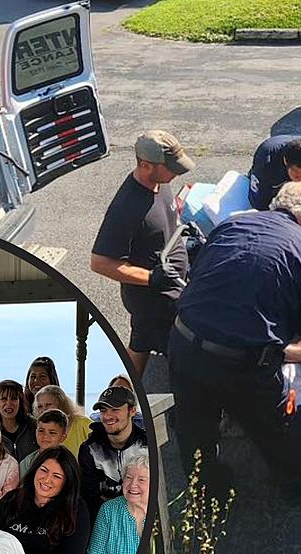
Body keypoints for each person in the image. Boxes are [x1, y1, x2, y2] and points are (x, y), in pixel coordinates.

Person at [168, 182, 301, 496]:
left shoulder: (232, 224)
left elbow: (214, 291)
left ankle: (206, 489)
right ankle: (296, 481)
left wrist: (300, 353)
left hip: (184, 342)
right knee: (273, 430)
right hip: (242, 367)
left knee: (194, 427)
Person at [91, 130, 195, 375]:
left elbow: (163, 218)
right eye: (171, 168)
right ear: (146, 165)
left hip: (174, 285)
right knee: (161, 346)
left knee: (142, 342)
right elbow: (100, 263)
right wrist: (151, 278)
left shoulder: (161, 183)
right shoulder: (126, 207)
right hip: (152, 299)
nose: (177, 172)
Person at [79, 386, 149, 517]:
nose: (107, 416)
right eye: (103, 410)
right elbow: (89, 498)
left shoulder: (146, 445)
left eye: (115, 409)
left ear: (132, 410)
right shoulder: (89, 449)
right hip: (105, 521)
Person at [34, 384, 92, 457]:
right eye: (40, 406)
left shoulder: (83, 423)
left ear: (61, 404)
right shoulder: (40, 431)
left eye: (48, 404)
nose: (43, 410)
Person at [18, 409, 70, 479]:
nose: (45, 436)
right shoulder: (27, 463)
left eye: (52, 433)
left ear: (63, 437)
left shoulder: (68, 462)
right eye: (41, 431)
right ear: (35, 432)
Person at [0, 379, 33, 459]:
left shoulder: (33, 425)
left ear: (20, 402)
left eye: (13, 398)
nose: (9, 403)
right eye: (4, 399)